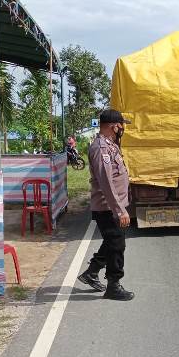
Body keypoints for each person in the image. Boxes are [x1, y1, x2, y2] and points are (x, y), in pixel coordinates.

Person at [78, 110, 135, 301]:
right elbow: (106, 182)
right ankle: (113, 286)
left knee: (112, 242)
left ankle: (91, 272)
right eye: (121, 125)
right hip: (108, 207)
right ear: (114, 126)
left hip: (115, 205)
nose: (123, 129)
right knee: (117, 245)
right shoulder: (101, 148)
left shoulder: (110, 145)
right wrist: (119, 210)